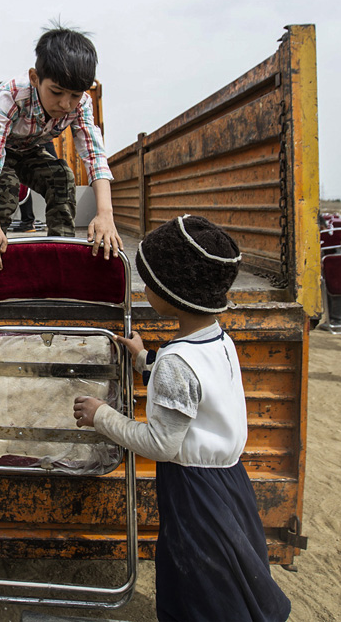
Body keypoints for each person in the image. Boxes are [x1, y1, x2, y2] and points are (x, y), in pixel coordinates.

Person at [72, 215, 291, 622]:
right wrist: (142, 359)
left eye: (149, 283)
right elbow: (196, 392)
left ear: (171, 295)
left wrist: (102, 416)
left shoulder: (177, 361)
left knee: (199, 578)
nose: (143, 290)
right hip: (228, 479)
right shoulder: (217, 340)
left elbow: (161, 443)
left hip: (194, 489)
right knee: (230, 565)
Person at [0, 22, 123, 275]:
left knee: (61, 176)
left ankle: (62, 255)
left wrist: (105, 214)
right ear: (36, 79)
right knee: (5, 184)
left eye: (75, 95)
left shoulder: (81, 104)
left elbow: (94, 155)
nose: (66, 104)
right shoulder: (12, 95)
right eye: (57, 92)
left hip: (27, 145)